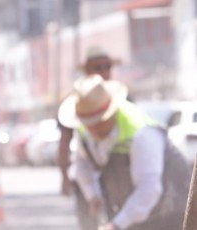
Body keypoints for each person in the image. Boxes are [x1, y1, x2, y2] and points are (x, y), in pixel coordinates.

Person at [58, 75, 189, 230]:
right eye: (88, 124)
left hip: (169, 207)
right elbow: (82, 165)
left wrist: (117, 224)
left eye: (97, 122)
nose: (92, 129)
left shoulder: (141, 134)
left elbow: (149, 189)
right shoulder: (84, 130)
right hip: (133, 211)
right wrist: (93, 195)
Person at [58, 46, 122, 228]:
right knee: (89, 222)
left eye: (107, 67)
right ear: (87, 71)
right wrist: (64, 175)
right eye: (98, 67)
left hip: (116, 175)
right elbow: (65, 142)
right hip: (87, 174)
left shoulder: (122, 98)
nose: (104, 72)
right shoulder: (76, 104)